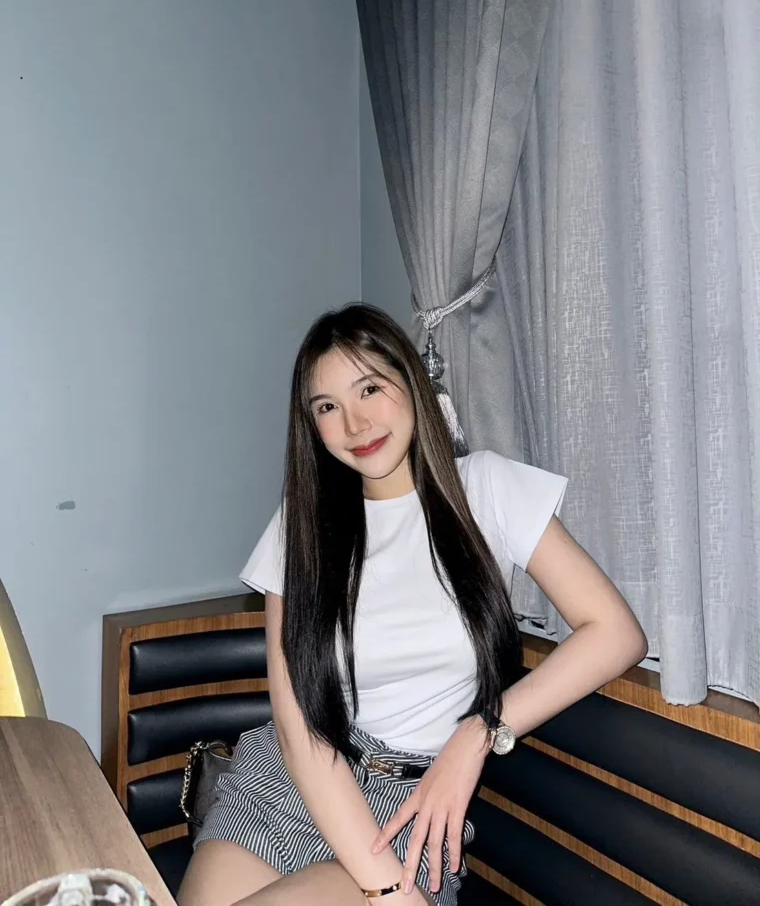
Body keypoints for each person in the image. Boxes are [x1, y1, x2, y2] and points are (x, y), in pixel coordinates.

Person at [178, 303, 647, 906]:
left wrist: (480, 731)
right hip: (288, 784)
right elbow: (298, 730)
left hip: (413, 809)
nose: (355, 424)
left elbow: (615, 632)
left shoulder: (487, 489)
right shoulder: (301, 525)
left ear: (411, 380)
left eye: (369, 388)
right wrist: (388, 891)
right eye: (327, 407)